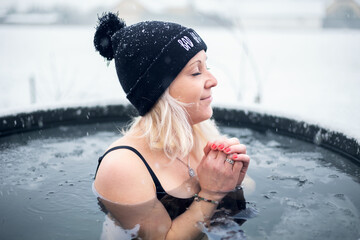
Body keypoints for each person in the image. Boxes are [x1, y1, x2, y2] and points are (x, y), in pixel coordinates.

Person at [92, 12, 251, 239]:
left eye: (207, 66)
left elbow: (226, 223)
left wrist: (231, 183)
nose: (213, 80)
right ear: (160, 90)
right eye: (196, 71)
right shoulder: (122, 167)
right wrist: (211, 193)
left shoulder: (200, 132)